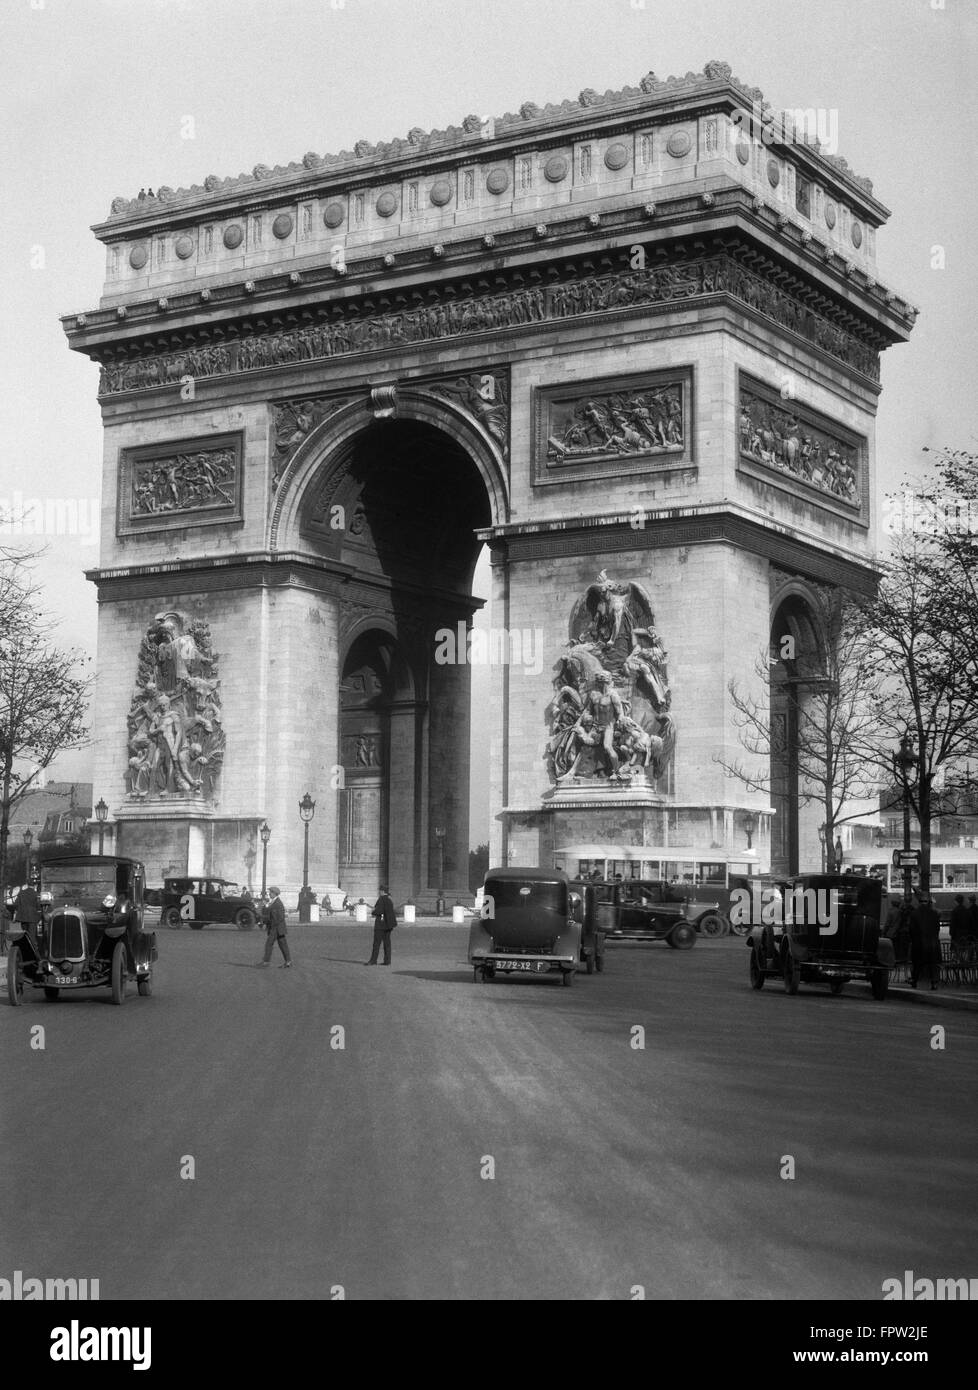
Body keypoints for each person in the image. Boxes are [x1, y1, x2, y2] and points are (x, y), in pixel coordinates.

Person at [908, 891, 941, 990]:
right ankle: (934, 983)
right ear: (928, 902)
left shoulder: (914, 914)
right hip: (931, 943)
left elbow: (911, 929)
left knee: (917, 964)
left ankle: (914, 981)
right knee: (932, 964)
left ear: (919, 902)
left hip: (919, 943)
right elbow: (937, 929)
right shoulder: (934, 914)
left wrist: (914, 939)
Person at [257, 886, 292, 968]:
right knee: (283, 944)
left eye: (270, 892)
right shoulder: (273, 902)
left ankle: (266, 962)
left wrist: (268, 922)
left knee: (269, 944)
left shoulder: (278, 903)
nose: (269, 893)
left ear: (274, 893)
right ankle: (288, 961)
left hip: (276, 927)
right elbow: (270, 914)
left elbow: (279, 917)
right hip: (278, 927)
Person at [366, 886, 397, 965]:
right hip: (388, 925)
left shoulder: (381, 899)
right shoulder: (390, 900)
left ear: (382, 891)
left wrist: (373, 911)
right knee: (387, 943)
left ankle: (373, 960)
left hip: (380, 925)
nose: (379, 892)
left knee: (376, 943)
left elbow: (379, 911)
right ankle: (387, 960)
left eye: (379, 890)